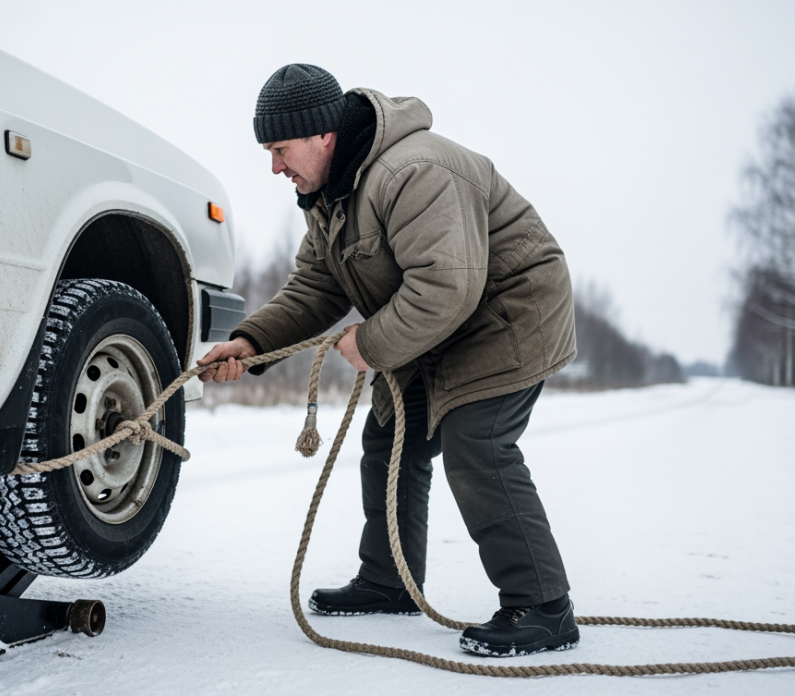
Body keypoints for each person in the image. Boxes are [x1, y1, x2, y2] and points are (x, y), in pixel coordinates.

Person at [197, 64, 579, 657]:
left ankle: (544, 608)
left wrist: (370, 344)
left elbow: (446, 287)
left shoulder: (413, 171)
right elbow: (315, 289)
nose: (274, 166)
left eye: (280, 149)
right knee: (390, 435)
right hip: (441, 322)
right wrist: (251, 345)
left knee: (478, 442)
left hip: (508, 312)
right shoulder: (327, 198)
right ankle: (388, 580)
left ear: (323, 134)